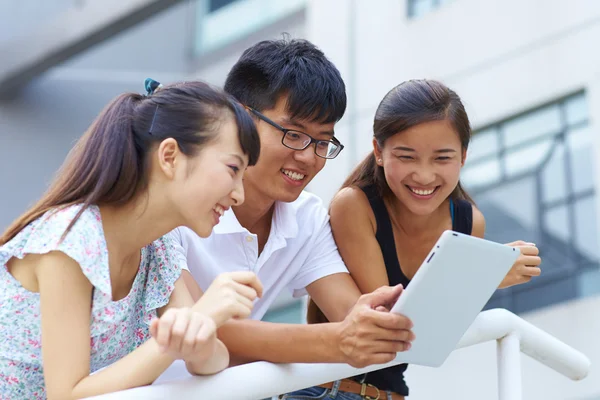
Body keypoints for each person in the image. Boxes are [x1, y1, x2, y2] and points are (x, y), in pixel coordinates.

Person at [0, 79, 264, 399]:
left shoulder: (158, 248)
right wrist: (188, 328)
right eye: (233, 168)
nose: (239, 195)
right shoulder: (69, 241)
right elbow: (67, 395)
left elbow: (212, 360)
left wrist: (197, 334)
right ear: (169, 156)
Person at [174, 37, 415, 378]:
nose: (307, 156)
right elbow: (207, 328)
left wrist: (377, 318)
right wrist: (337, 341)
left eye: (322, 141)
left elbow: (348, 313)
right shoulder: (174, 205)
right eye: (293, 134)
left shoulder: (306, 217)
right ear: (239, 119)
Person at [293, 79, 542, 399]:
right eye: (407, 157)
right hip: (325, 390)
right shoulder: (355, 205)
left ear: (463, 157)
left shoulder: (468, 222)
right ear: (378, 152)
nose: (424, 176)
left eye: (442, 158)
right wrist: (482, 276)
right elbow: (386, 324)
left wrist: (481, 273)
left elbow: (434, 334)